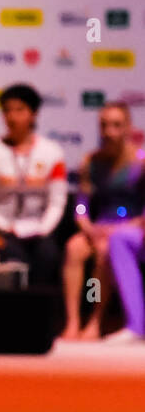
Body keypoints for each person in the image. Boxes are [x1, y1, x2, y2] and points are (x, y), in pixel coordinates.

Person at [60, 103, 145, 341]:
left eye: (116, 125)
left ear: (128, 128)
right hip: (98, 227)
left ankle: (95, 319)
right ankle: (73, 320)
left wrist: (124, 227)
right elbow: (81, 203)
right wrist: (85, 224)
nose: (109, 132)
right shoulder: (91, 161)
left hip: (130, 228)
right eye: (104, 125)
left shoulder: (140, 162)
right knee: (74, 248)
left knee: (104, 251)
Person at [0, 83, 68, 288]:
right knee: (13, 255)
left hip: (38, 229)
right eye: (7, 111)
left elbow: (57, 201)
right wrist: (8, 227)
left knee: (48, 255)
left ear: (34, 114)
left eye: (19, 110)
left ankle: (41, 313)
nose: (12, 117)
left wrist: (44, 228)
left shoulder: (53, 153)